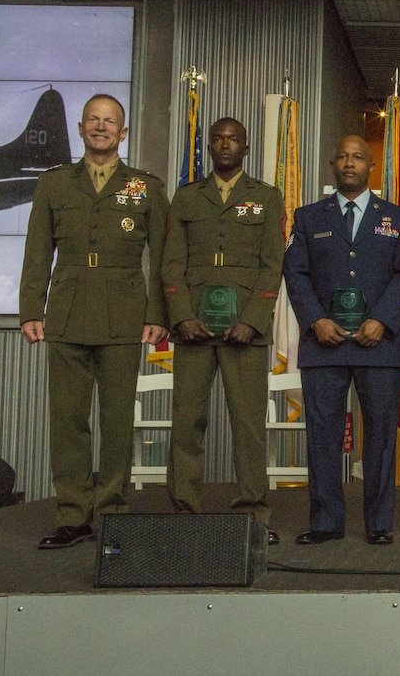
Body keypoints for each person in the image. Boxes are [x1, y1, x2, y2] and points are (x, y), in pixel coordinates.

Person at [19, 93, 169, 549]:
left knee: (118, 421)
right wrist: (30, 309)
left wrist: (157, 315)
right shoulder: (54, 184)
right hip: (65, 316)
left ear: (123, 133)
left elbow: (161, 257)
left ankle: (112, 514)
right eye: (93, 121)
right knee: (67, 421)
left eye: (110, 122)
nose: (101, 128)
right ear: (82, 129)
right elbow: (37, 251)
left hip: (124, 318)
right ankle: (73, 514)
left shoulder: (145, 187)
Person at [283, 135, 400, 545]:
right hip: (324, 342)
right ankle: (325, 522)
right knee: (323, 433)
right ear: (332, 164)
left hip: (381, 343)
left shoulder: (399, 218)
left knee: (379, 435)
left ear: (372, 166)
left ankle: (378, 523)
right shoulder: (307, 218)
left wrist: (384, 320)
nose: (350, 164)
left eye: (359, 157)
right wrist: (315, 319)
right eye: (343, 157)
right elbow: (295, 273)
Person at [162, 117, 285, 544]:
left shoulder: (267, 198)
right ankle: (183, 511)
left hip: (244, 331)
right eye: (218, 139)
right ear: (209, 147)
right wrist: (180, 314)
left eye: (233, 139)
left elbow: (273, 266)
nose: (225, 145)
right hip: (193, 326)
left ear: (246, 148)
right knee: (186, 420)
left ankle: (253, 512)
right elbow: (170, 264)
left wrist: (252, 319)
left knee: (249, 425)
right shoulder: (185, 197)